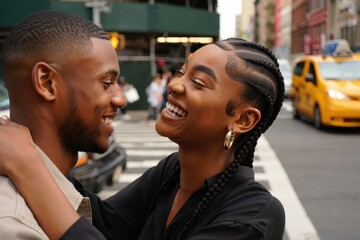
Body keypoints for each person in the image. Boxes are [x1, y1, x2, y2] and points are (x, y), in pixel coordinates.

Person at [0, 38, 286, 239]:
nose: (173, 85)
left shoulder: (254, 217)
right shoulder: (171, 173)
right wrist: (37, 146)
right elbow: (105, 223)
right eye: (181, 73)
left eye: (198, 83)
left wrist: (27, 165)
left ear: (242, 120)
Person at [0, 10, 125, 239]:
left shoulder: (58, 190)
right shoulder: (13, 225)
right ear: (47, 83)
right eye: (107, 83)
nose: (121, 99)